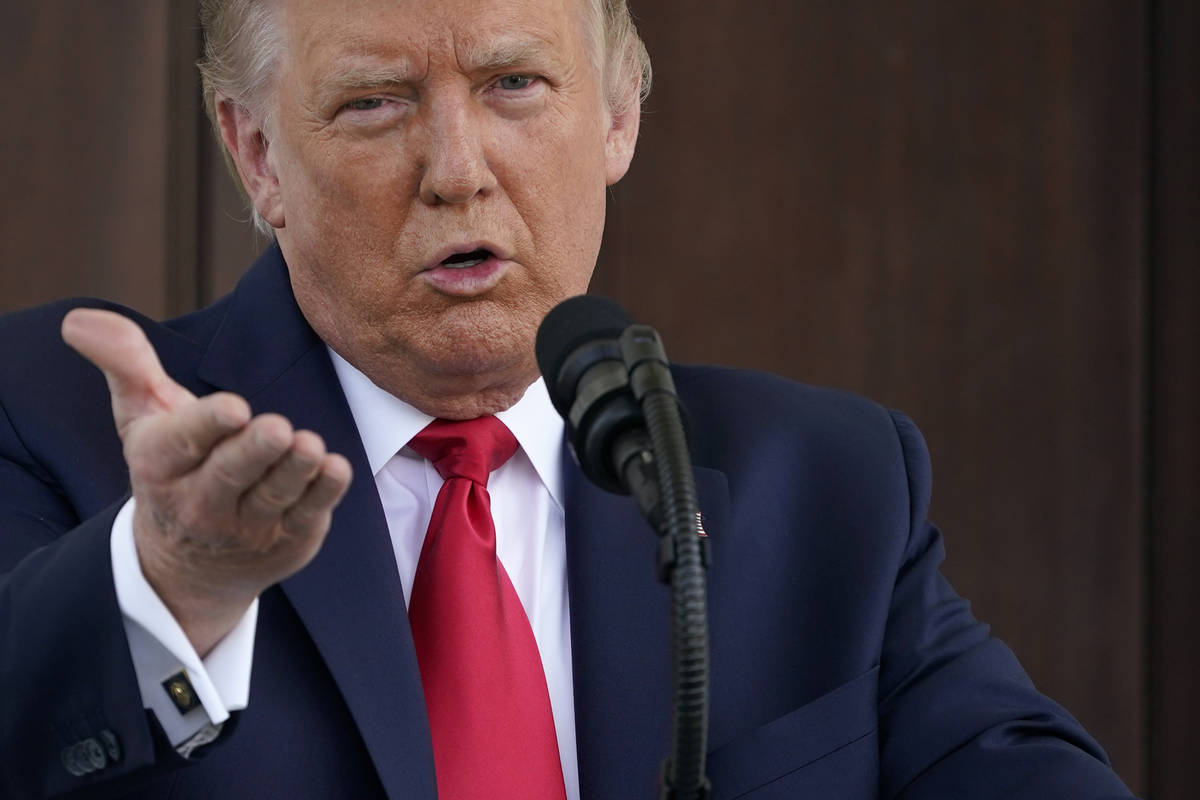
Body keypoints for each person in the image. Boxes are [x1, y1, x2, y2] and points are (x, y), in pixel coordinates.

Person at [0, 0, 1137, 798]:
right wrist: (173, 582)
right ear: (255, 153)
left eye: (514, 85)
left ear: (619, 115)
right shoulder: (63, 422)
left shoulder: (829, 484)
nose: (457, 167)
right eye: (374, 104)